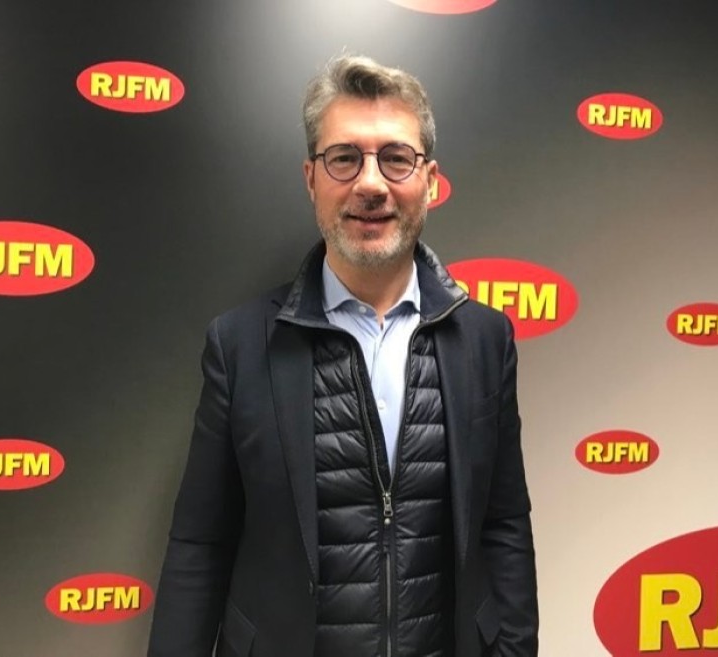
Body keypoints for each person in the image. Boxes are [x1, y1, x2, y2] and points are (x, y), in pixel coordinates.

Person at [147, 54, 538, 657]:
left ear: (430, 180)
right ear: (311, 179)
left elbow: (504, 524)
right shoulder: (240, 346)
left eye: (396, 157)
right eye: (345, 158)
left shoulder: (486, 341)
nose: (371, 184)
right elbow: (201, 543)